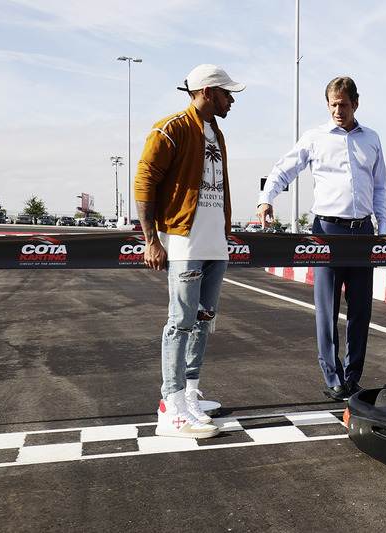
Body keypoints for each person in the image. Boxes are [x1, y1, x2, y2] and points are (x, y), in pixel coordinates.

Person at [256, 77, 386, 402]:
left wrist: (383, 227)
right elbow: (284, 168)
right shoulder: (314, 138)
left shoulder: (371, 139)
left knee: (361, 310)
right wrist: (266, 198)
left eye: (343, 104)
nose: (337, 110)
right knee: (327, 309)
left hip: (363, 235)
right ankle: (333, 378)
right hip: (327, 233)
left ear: (355, 104)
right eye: (332, 104)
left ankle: (352, 377)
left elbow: (380, 185)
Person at [134, 64, 246, 438]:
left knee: (203, 321)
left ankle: (192, 394)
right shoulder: (172, 127)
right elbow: (144, 180)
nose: (232, 100)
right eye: (227, 93)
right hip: (184, 242)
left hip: (215, 243)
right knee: (180, 322)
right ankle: (171, 403)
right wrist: (151, 239)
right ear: (208, 92)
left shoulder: (216, 132)